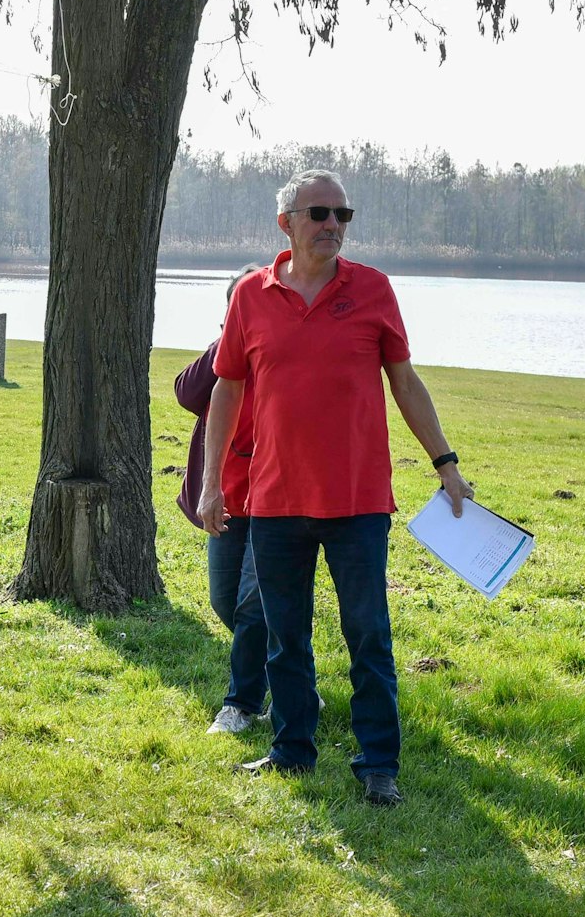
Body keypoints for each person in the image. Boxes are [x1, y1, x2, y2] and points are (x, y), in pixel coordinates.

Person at [197, 168, 473, 808]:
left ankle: (378, 762)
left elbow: (405, 381)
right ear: (285, 223)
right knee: (284, 635)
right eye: (319, 213)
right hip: (274, 502)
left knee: (368, 634)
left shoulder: (372, 290)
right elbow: (227, 389)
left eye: (342, 215)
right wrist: (211, 484)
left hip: (357, 501)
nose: (332, 226)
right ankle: (292, 750)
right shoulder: (250, 295)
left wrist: (445, 462)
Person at [175, 265, 269, 735]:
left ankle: (241, 705)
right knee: (223, 601)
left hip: (275, 501)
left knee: (256, 605)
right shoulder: (221, 358)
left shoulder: (278, 353)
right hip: (225, 499)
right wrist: (227, 338)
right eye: (237, 307)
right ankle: (292, 676)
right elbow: (186, 392)